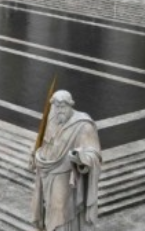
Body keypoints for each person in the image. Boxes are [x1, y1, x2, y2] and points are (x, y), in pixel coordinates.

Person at [31, 90, 101, 231]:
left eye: (62, 106)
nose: (59, 111)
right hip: (47, 173)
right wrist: (36, 154)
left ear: (70, 105)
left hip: (66, 177)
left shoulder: (83, 125)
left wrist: (80, 157)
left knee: (61, 211)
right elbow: (46, 143)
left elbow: (94, 154)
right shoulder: (52, 119)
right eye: (56, 107)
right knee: (49, 208)